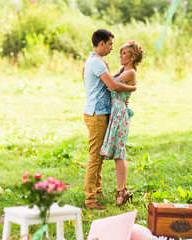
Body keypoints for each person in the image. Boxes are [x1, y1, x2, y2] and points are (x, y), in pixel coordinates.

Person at [83, 29, 137, 210]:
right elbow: (113, 85)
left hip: (100, 112)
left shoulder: (95, 61)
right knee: (95, 158)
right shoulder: (97, 62)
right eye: (110, 44)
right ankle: (90, 199)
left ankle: (97, 192)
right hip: (97, 114)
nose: (112, 48)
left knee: (98, 154)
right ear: (101, 44)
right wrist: (132, 89)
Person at [100, 40, 144, 206]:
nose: (120, 56)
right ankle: (122, 190)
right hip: (116, 112)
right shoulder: (123, 71)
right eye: (120, 53)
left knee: (119, 152)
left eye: (124, 53)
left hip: (120, 114)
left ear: (132, 57)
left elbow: (111, 85)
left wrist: (133, 88)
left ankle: (121, 191)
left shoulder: (130, 72)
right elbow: (112, 81)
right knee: (118, 151)